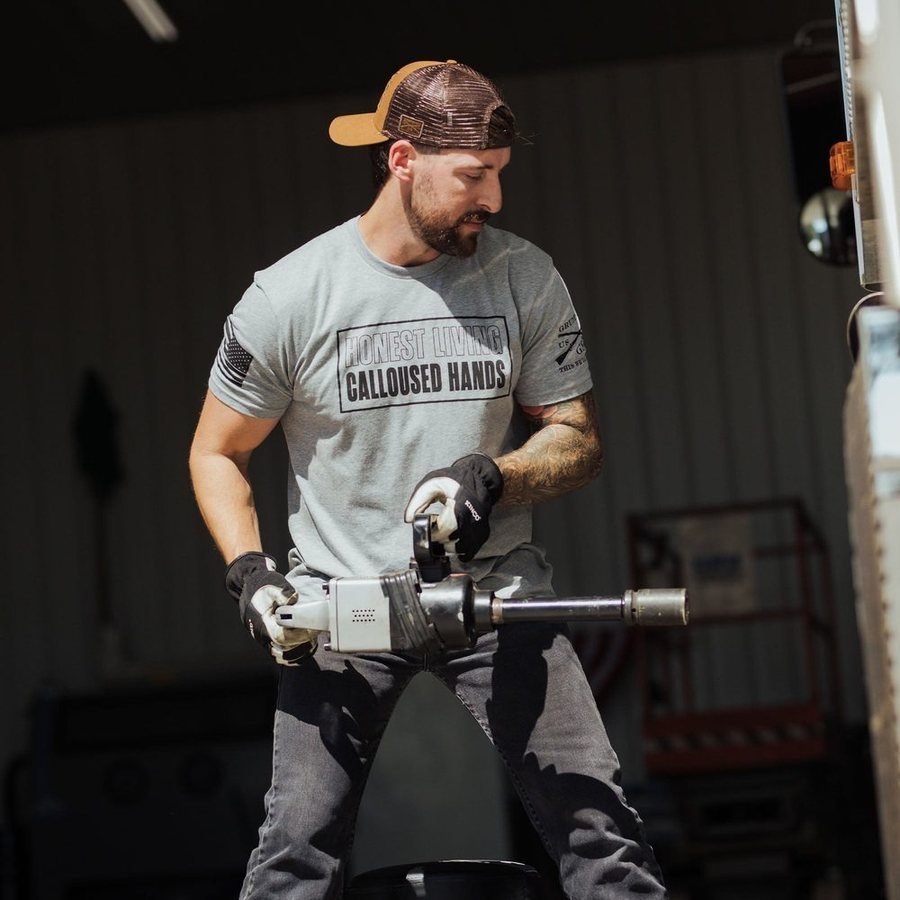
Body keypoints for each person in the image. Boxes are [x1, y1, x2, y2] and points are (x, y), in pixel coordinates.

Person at [188, 59, 668, 899]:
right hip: (342, 605)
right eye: (474, 177)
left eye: (500, 175)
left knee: (602, 833)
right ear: (403, 160)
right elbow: (216, 452)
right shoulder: (289, 298)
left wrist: (492, 478)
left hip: (494, 596)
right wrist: (252, 574)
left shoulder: (523, 278)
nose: (495, 199)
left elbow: (576, 440)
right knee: (296, 852)